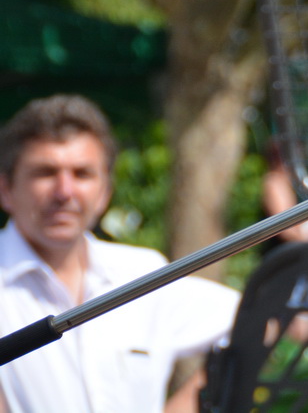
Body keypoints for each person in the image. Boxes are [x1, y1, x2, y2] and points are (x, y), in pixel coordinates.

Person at [0, 95, 239, 413]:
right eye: (45, 172)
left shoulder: (141, 272)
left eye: (82, 174)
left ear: (105, 193)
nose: (64, 192)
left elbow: (256, 318)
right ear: (6, 189)